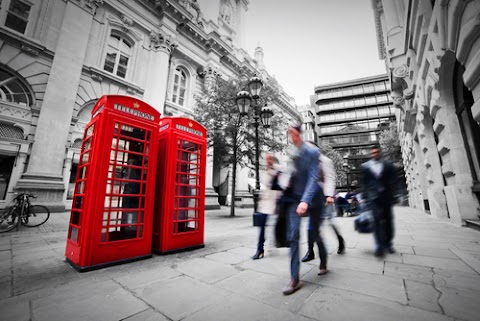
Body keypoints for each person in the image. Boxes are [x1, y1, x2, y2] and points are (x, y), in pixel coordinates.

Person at [281, 125, 324, 296]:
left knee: (314, 233)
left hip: (312, 198)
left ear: (299, 133)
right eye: (289, 133)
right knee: (293, 236)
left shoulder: (312, 152)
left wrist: (305, 200)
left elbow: (314, 177)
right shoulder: (292, 152)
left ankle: (323, 261)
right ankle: (295, 278)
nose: (291, 135)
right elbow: (292, 173)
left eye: (293, 132)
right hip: (293, 198)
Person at [302, 145, 345, 261]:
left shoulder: (326, 160)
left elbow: (330, 178)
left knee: (330, 221)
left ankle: (340, 240)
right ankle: (310, 251)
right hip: (314, 198)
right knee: (312, 226)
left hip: (325, 197)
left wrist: (329, 195)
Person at [360, 147, 399, 257]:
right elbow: (364, 183)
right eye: (373, 152)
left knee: (388, 221)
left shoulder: (388, 164)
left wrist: (396, 194)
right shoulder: (365, 166)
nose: (374, 154)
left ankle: (388, 244)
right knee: (376, 221)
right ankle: (379, 246)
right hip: (373, 198)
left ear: (379, 153)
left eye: (376, 152)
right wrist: (364, 197)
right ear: (371, 154)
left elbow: (394, 180)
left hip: (386, 197)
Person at [252, 153, 282, 260]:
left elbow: (283, 184)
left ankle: (274, 244)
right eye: (266, 159)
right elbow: (266, 185)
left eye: (269, 159)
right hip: (266, 201)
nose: (268, 160)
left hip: (276, 201)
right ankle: (260, 249)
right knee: (262, 225)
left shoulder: (278, 169)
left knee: (276, 225)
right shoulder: (265, 171)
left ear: (273, 160)